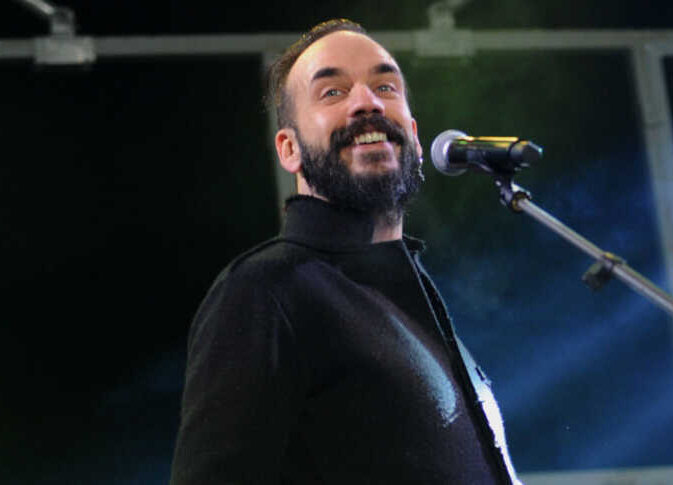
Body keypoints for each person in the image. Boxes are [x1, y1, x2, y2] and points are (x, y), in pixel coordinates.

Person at [170, 19, 522, 485]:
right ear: (289, 148)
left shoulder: (412, 293)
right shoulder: (265, 291)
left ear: (415, 137)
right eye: (333, 92)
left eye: (385, 87)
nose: (367, 102)